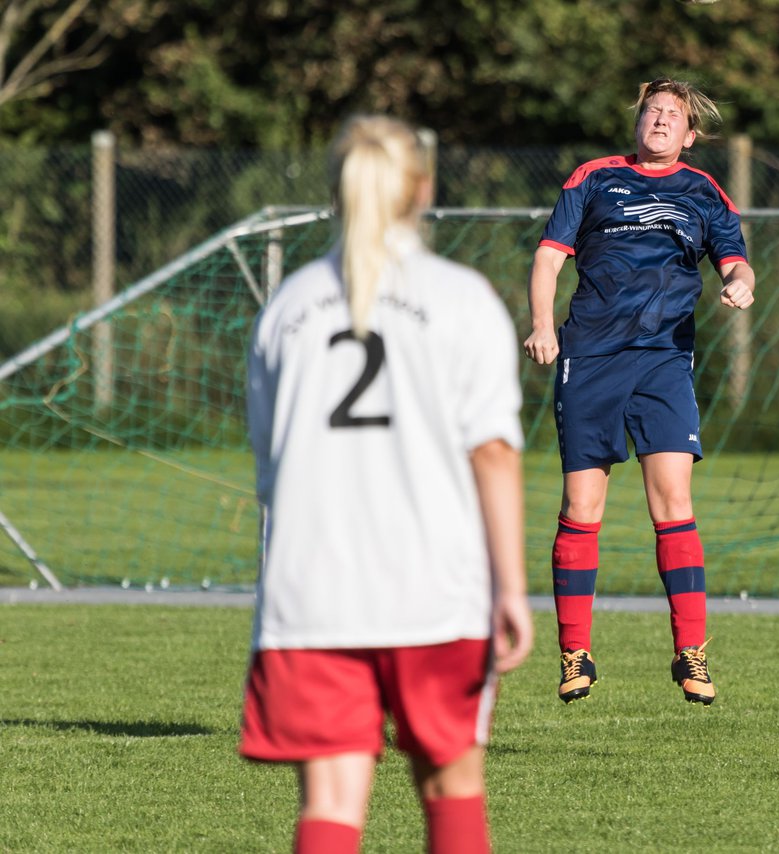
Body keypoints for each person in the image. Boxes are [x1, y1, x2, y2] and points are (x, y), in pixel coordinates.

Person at [241, 114, 532, 854]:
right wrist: (511, 589)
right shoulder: (462, 298)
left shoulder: (286, 307)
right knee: (450, 788)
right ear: (422, 188)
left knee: (332, 806)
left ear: (337, 189)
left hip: (312, 593)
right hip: (435, 592)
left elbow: (271, 470)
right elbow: (494, 453)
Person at [524, 77, 756, 705]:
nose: (658, 120)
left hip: (662, 362)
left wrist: (741, 283)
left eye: (671, 115)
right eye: (650, 111)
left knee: (673, 503)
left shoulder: (702, 191)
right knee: (581, 508)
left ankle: (691, 654)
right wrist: (544, 324)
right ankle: (575, 655)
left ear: (690, 133)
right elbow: (549, 258)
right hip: (591, 359)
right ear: (637, 122)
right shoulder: (593, 178)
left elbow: (735, 258)